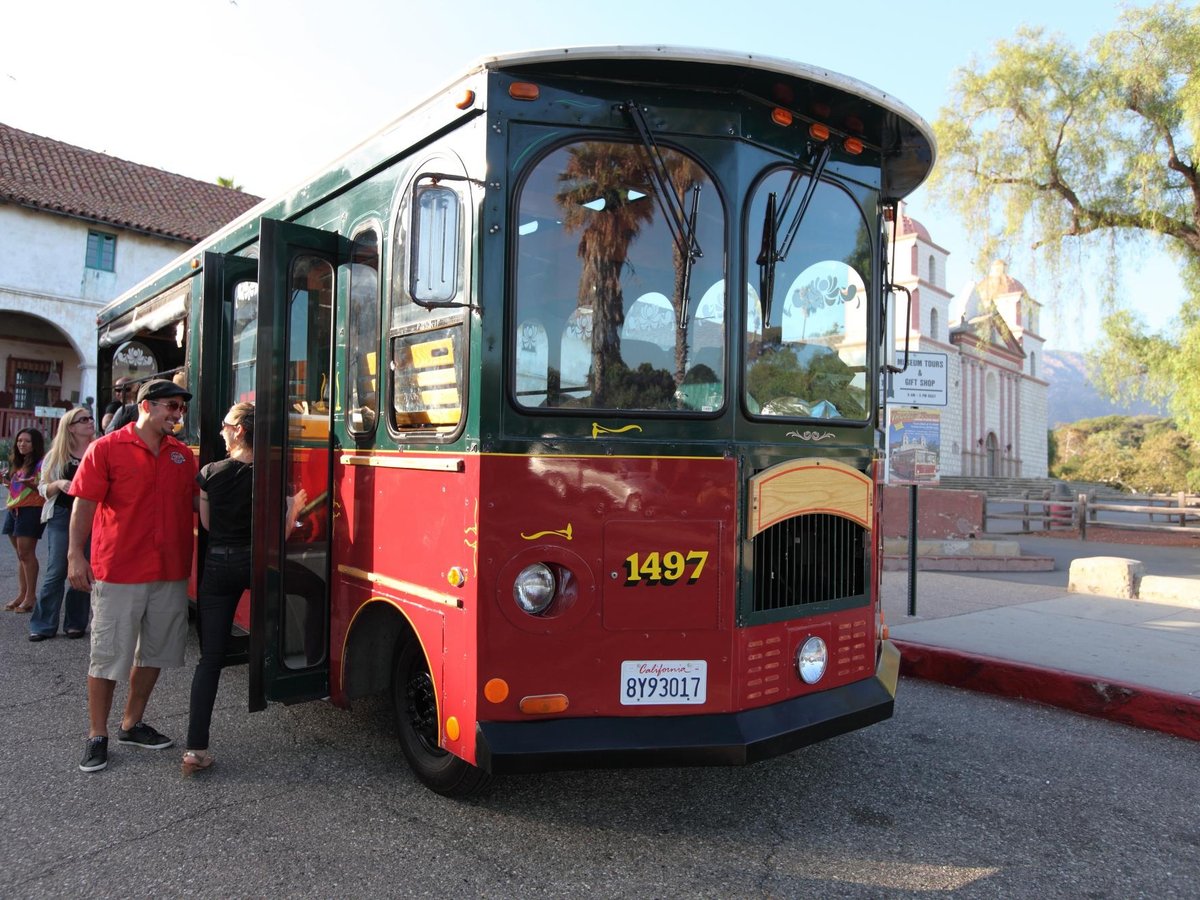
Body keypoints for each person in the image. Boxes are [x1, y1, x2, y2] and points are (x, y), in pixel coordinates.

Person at [68, 379, 198, 773]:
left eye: (180, 408)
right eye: (170, 406)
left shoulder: (181, 455)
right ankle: (97, 734)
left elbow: (198, 502)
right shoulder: (106, 448)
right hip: (120, 569)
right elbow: (84, 506)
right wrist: (76, 555)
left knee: (156, 652)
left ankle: (130, 723)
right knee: (108, 657)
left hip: (170, 570)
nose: (177, 414)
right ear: (146, 406)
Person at [182, 402, 306, 775]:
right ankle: (301, 670)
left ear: (238, 431)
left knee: (210, 660)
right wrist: (294, 509)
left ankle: (194, 749)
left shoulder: (209, 473)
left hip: (219, 566)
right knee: (307, 596)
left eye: (224, 425)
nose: (220, 431)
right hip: (257, 563)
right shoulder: (273, 476)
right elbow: (280, 535)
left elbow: (206, 525)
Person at [29, 408, 98, 641]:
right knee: (57, 568)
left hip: (90, 515)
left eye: (90, 418)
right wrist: (59, 483)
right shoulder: (57, 455)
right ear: (71, 427)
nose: (90, 422)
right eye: (84, 420)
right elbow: (42, 489)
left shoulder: (98, 449)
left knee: (83, 567)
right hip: (61, 514)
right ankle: (43, 624)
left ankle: (75, 623)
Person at [3, 428, 46, 613]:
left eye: (27, 441)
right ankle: (22, 594)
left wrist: (31, 484)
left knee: (27, 554)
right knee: (21, 555)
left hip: (31, 509)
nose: (22, 444)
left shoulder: (42, 463)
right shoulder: (18, 463)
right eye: (19, 440)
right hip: (14, 509)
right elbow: (16, 488)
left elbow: (44, 487)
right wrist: (7, 481)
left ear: (35, 444)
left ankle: (30, 597)